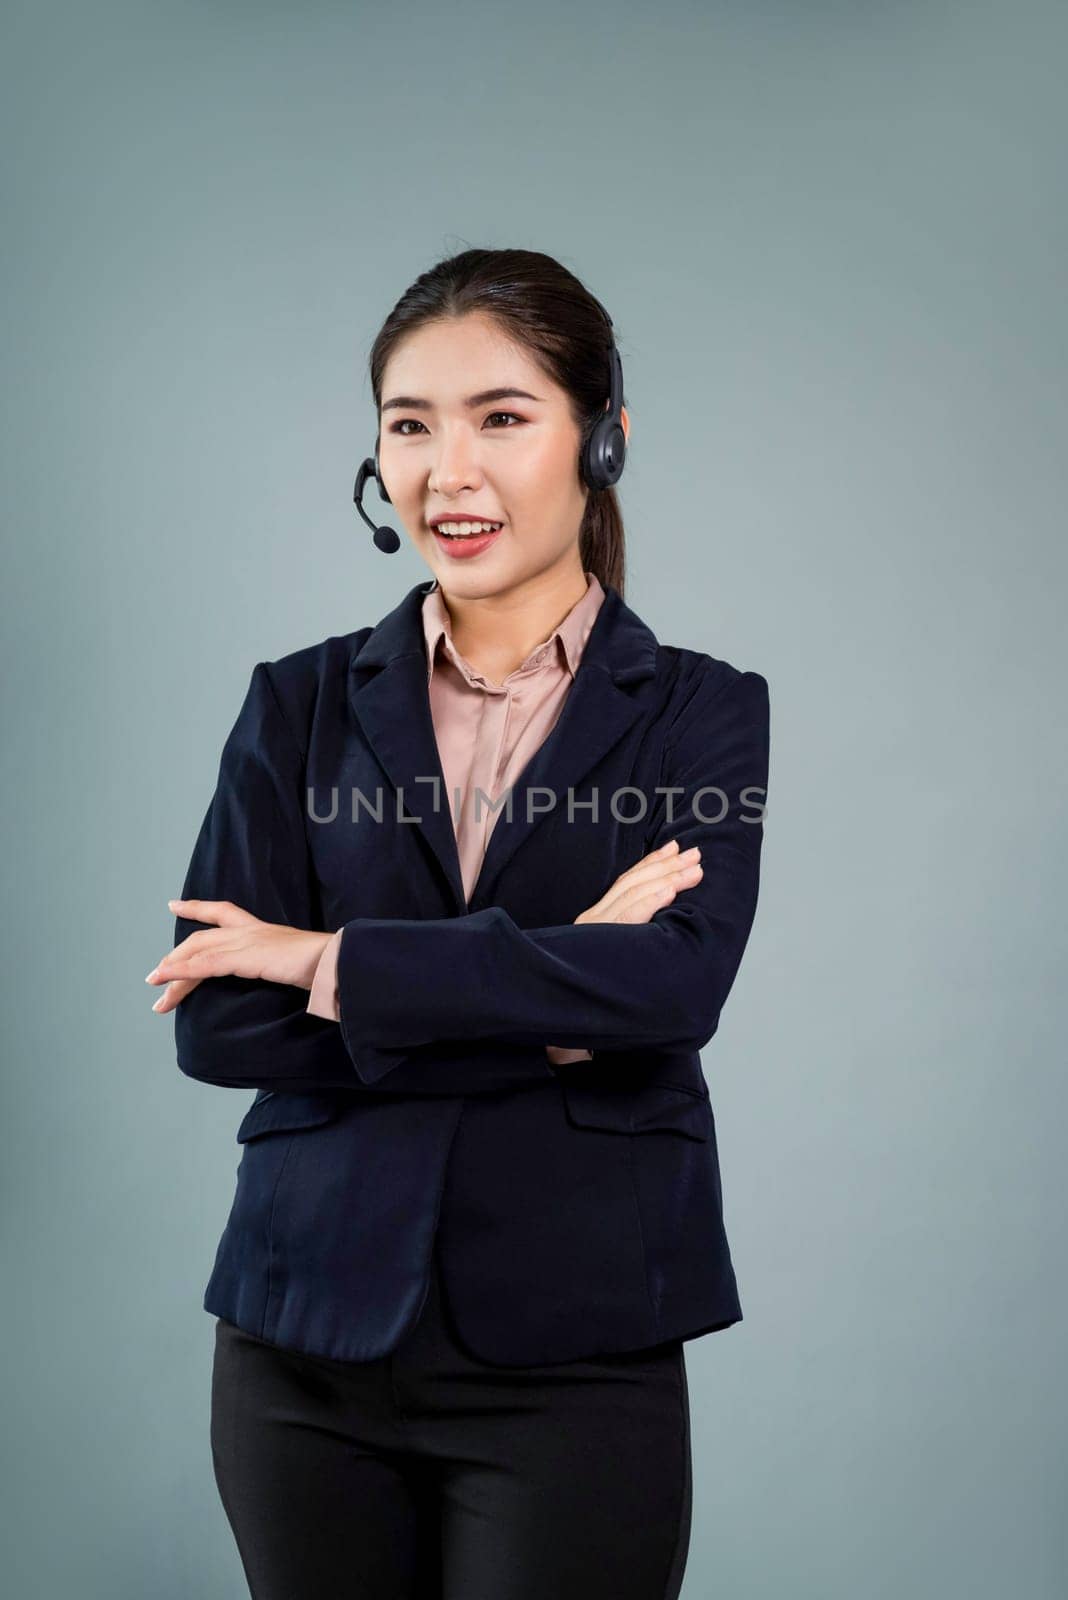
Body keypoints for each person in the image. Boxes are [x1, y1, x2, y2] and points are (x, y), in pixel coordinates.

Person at [146, 247, 770, 1600]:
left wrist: (330, 963)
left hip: (575, 1349)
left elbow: (670, 994)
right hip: (299, 1340)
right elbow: (216, 1019)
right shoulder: (297, 703)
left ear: (601, 438)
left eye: (502, 417)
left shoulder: (700, 713)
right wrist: (550, 1007)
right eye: (409, 425)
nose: (449, 472)